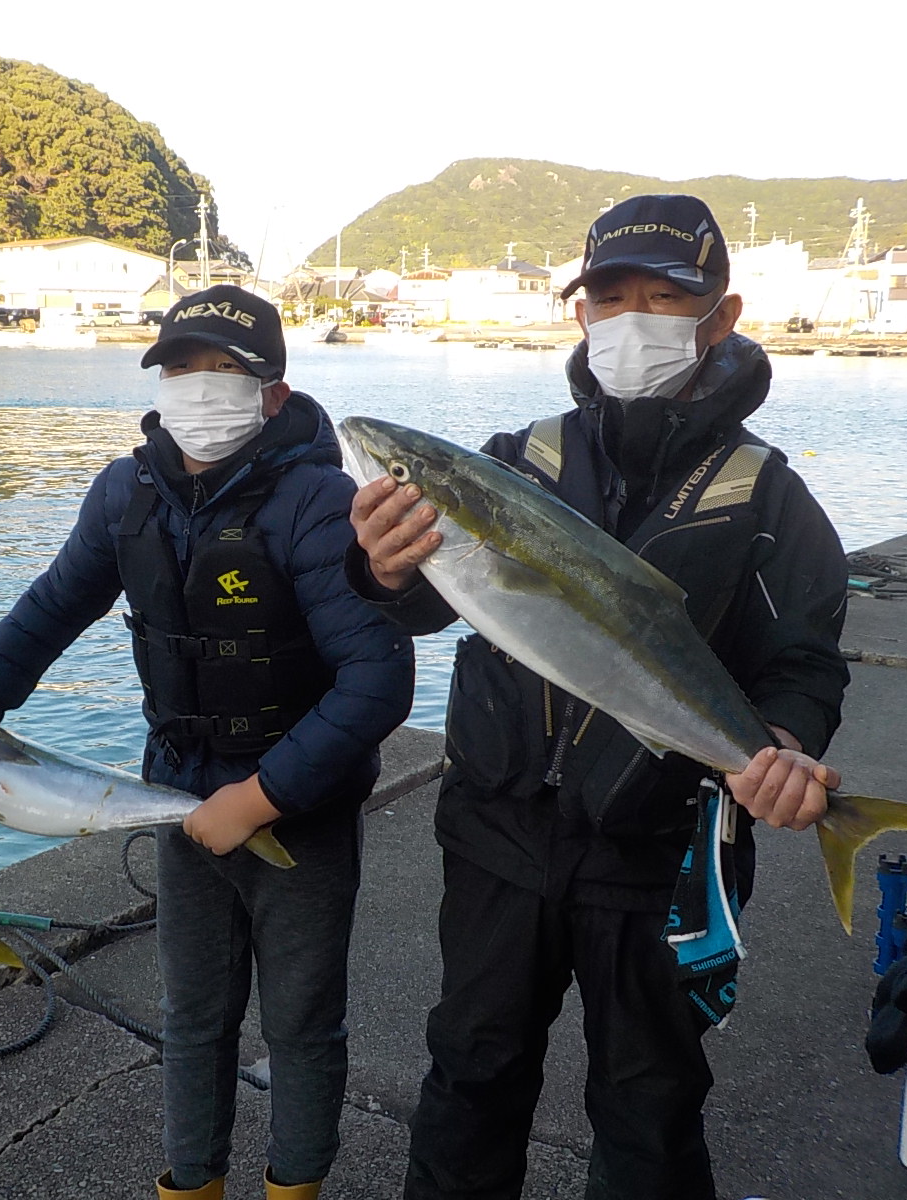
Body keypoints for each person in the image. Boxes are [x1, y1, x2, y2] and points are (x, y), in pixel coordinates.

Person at [347, 195, 851, 1200]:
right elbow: (420, 612)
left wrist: (782, 746)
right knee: (470, 1076)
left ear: (723, 312)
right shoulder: (512, 462)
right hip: (497, 834)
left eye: (665, 298)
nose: (632, 318)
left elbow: (804, 659)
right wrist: (383, 570)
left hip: (661, 852)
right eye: (609, 296)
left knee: (648, 1104)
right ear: (578, 313)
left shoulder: (766, 495)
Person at [0, 284, 415, 1199]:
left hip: (299, 807)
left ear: (272, 393)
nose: (199, 387)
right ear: (157, 382)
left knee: (301, 1020)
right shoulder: (125, 491)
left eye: (226, 370)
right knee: (193, 1014)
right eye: (181, 367)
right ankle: (191, 1185)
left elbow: (378, 681)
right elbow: (55, 604)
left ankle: (296, 1187)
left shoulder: (322, 501)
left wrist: (259, 798)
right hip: (177, 790)